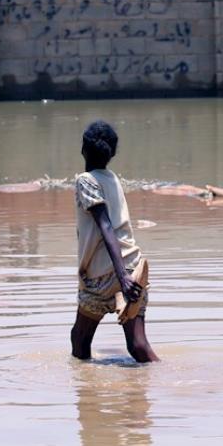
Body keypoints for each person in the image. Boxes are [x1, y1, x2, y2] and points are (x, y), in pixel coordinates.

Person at [70, 120, 159, 363]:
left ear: (83, 149)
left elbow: (105, 226)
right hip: (133, 268)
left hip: (102, 275)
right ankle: (166, 378)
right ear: (113, 154)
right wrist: (126, 278)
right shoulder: (112, 179)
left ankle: (85, 386)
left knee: (80, 339)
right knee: (138, 345)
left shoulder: (85, 180)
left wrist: (121, 278)